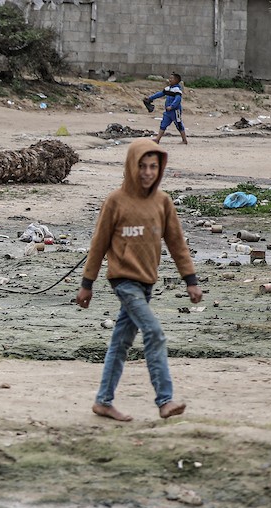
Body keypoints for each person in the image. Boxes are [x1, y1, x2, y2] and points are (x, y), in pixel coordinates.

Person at [75, 139, 201, 420]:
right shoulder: (115, 201)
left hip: (146, 284)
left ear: (160, 168)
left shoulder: (163, 202)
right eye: (142, 166)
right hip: (124, 282)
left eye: (153, 167)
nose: (147, 172)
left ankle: (103, 401)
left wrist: (190, 280)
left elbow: (177, 244)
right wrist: (87, 284)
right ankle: (165, 400)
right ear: (132, 167)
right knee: (154, 333)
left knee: (120, 343)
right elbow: (98, 245)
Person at [145, 73, 188, 145]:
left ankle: (184, 140)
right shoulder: (168, 89)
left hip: (175, 111)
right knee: (163, 124)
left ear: (176, 80)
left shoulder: (177, 90)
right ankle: (157, 139)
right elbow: (160, 94)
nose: (169, 80)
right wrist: (150, 98)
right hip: (168, 111)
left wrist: (172, 106)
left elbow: (177, 100)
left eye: (172, 78)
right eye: (169, 78)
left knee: (179, 124)